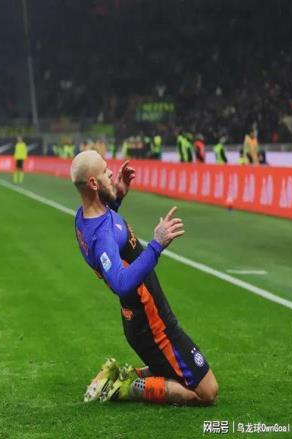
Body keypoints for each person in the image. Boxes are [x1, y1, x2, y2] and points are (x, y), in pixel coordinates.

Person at [71, 150, 218, 406]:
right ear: (93, 183)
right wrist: (156, 244)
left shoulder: (85, 217)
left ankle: (121, 376)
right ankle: (127, 387)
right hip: (152, 324)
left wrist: (118, 195)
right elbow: (121, 282)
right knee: (207, 392)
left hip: (142, 317)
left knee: (180, 374)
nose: (111, 173)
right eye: (105, 171)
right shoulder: (102, 237)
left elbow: (111, 228)